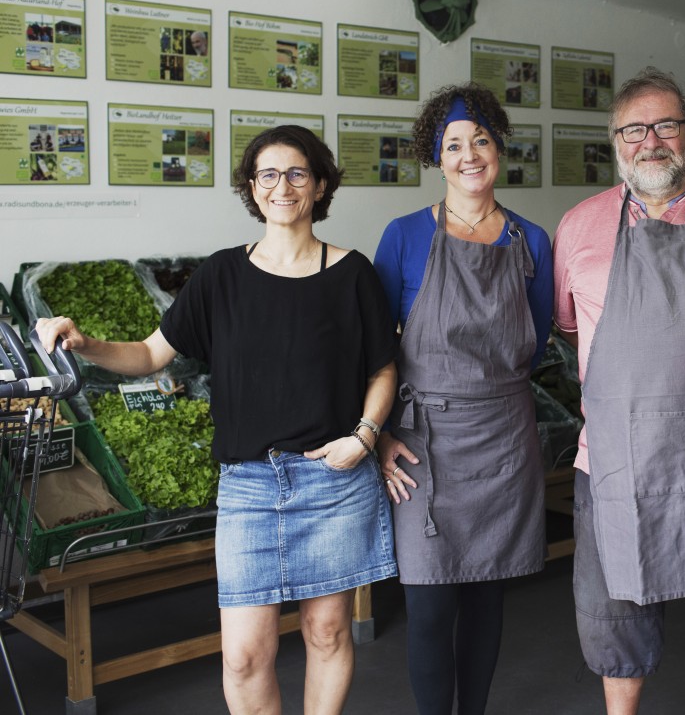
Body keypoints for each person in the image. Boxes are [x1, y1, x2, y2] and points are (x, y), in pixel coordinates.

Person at [35, 125, 398, 715]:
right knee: (244, 656)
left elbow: (383, 369)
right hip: (250, 486)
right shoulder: (222, 275)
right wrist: (87, 342)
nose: (283, 186)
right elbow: (151, 355)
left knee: (328, 633)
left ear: (321, 184)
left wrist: (364, 437)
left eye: (297, 173)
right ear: (252, 189)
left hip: (333, 478)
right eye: (268, 175)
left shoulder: (352, 274)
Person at [553, 67, 685, 715]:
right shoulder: (579, 228)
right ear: (616, 142)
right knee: (614, 620)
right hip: (615, 462)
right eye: (634, 129)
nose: (652, 141)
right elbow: (569, 325)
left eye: (666, 125)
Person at [373, 81, 554, 715]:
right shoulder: (403, 237)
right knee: (428, 602)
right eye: (453, 144)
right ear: (436, 157)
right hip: (423, 444)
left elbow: (534, 340)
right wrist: (382, 434)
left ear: (499, 146)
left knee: (485, 599)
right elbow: (374, 350)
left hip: (504, 438)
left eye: (480, 139)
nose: (469, 154)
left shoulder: (531, 241)